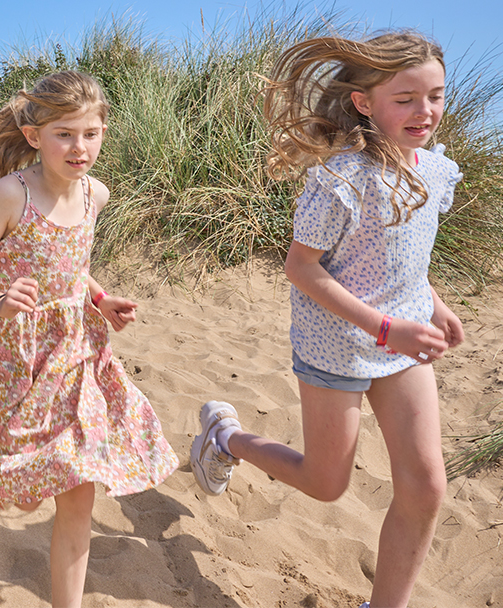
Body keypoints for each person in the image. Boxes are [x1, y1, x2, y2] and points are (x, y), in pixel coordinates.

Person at [190, 32, 464, 608]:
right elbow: (302, 269)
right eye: (406, 98)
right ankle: (226, 438)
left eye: (435, 96)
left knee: (426, 487)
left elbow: (405, 258)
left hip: (403, 345)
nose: (425, 112)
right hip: (336, 344)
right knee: (325, 484)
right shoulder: (340, 179)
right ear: (364, 102)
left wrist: (433, 303)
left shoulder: (435, 172)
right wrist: (387, 327)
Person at [0, 70, 179, 608]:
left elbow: (74, 268)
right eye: (65, 134)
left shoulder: (96, 194)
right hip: (8, 351)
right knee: (24, 498)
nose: (79, 147)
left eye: (90, 133)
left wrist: (99, 299)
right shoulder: (10, 195)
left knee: (76, 492)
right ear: (34, 137)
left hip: (73, 351)